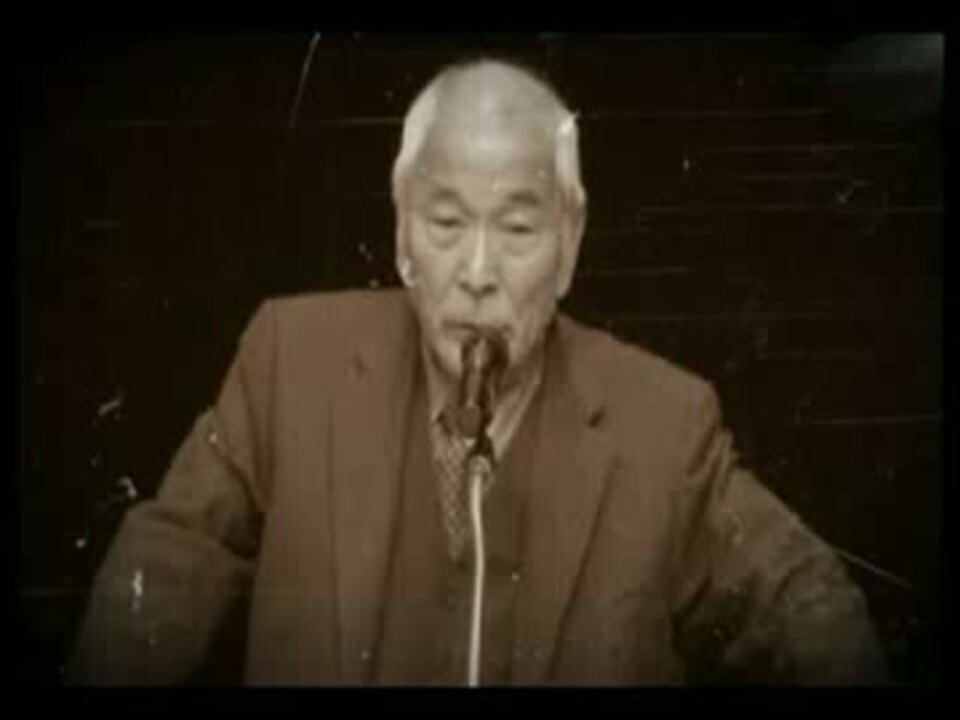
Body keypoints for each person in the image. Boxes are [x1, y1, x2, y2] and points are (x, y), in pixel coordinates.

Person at [68, 58, 888, 686]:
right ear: (402, 236)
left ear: (569, 246)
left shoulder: (664, 426)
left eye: (519, 229)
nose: (478, 271)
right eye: (447, 222)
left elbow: (808, 603)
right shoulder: (290, 362)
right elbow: (162, 569)